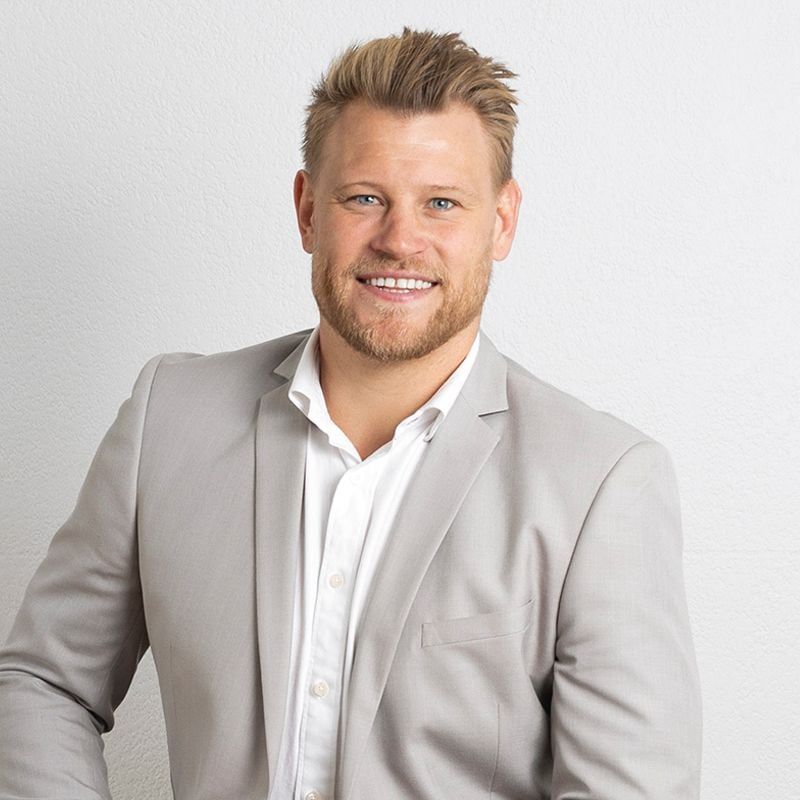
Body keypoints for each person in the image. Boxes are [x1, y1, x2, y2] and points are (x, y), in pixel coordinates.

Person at [0, 27, 702, 800]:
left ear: (502, 221)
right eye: (365, 198)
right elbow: (44, 681)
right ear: (307, 210)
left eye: (442, 203)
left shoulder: (601, 484)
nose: (400, 240)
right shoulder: (167, 419)